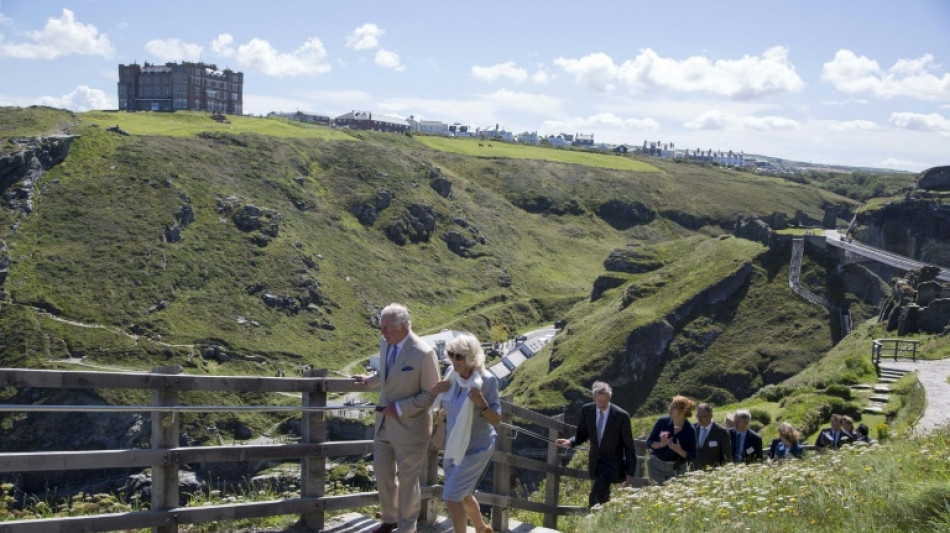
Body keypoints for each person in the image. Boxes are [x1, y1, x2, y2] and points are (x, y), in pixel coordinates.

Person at [353, 304, 440, 533]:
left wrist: (400, 408)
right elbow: (386, 373)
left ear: (404, 325)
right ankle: (389, 520)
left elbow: (431, 394)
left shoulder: (424, 353)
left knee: (409, 482)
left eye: (387, 327)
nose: (383, 332)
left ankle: (406, 528)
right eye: (381, 327)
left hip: (411, 428)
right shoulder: (385, 343)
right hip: (383, 424)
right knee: (382, 475)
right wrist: (369, 380)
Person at [430, 334, 501, 533]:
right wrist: (436, 391)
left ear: (471, 357)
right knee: (463, 493)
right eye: (451, 354)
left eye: (459, 356)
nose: (454, 360)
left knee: (451, 497)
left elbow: (496, 421)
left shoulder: (487, 381)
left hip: (477, 448)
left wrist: (482, 404)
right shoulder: (450, 374)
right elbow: (442, 407)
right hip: (454, 446)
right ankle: (481, 528)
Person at [555, 382, 637, 506]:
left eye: (605, 401)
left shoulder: (621, 416)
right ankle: (604, 521)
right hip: (595, 463)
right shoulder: (587, 410)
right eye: (599, 401)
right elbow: (582, 433)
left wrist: (630, 473)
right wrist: (570, 441)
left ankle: (591, 519)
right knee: (602, 497)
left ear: (610, 398)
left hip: (612, 465)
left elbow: (629, 447)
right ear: (594, 398)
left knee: (595, 497)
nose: (602, 404)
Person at [646, 396, 697, 483]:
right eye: (670, 406)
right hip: (656, 466)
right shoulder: (662, 421)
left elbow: (692, 456)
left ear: (683, 410)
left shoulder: (689, 430)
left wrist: (679, 450)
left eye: (673, 407)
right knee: (657, 494)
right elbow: (649, 442)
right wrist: (660, 444)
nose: (670, 409)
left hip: (677, 468)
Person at [693, 403, 732, 471]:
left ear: (711, 416)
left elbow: (727, 457)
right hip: (694, 474)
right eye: (698, 416)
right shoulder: (693, 429)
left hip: (713, 474)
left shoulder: (722, 432)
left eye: (703, 417)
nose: (700, 419)